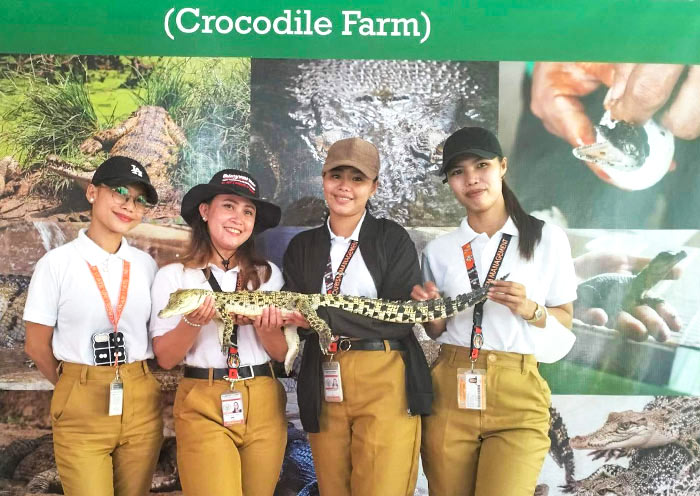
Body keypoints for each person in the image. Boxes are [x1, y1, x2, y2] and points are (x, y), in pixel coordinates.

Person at [411, 127, 577, 496]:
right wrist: (431, 311)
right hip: (450, 387)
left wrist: (531, 309)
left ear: (502, 167)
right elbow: (437, 331)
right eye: (457, 172)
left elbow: (565, 318)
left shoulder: (546, 238)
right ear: (450, 182)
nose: (471, 179)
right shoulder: (440, 250)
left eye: (481, 165)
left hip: (517, 390)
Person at [283, 137, 432, 496]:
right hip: (325, 375)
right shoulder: (302, 247)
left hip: (385, 373)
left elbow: (398, 318)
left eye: (357, 178)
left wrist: (321, 314)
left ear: (373, 187)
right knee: (333, 488)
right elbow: (297, 318)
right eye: (337, 175)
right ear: (323, 178)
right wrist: (315, 317)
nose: (345, 187)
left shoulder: (391, 238)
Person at [23, 156, 163, 496]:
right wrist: (74, 385)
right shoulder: (56, 264)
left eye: (138, 200)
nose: (129, 205)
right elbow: (36, 345)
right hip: (81, 396)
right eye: (119, 192)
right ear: (91, 193)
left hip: (140, 396)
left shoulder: (146, 266)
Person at [149, 169, 288, 496]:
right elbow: (167, 358)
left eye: (248, 211)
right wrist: (193, 322)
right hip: (204, 400)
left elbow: (282, 354)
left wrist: (263, 326)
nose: (238, 217)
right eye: (228, 205)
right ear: (205, 210)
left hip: (264, 399)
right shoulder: (174, 277)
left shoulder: (268, 276)